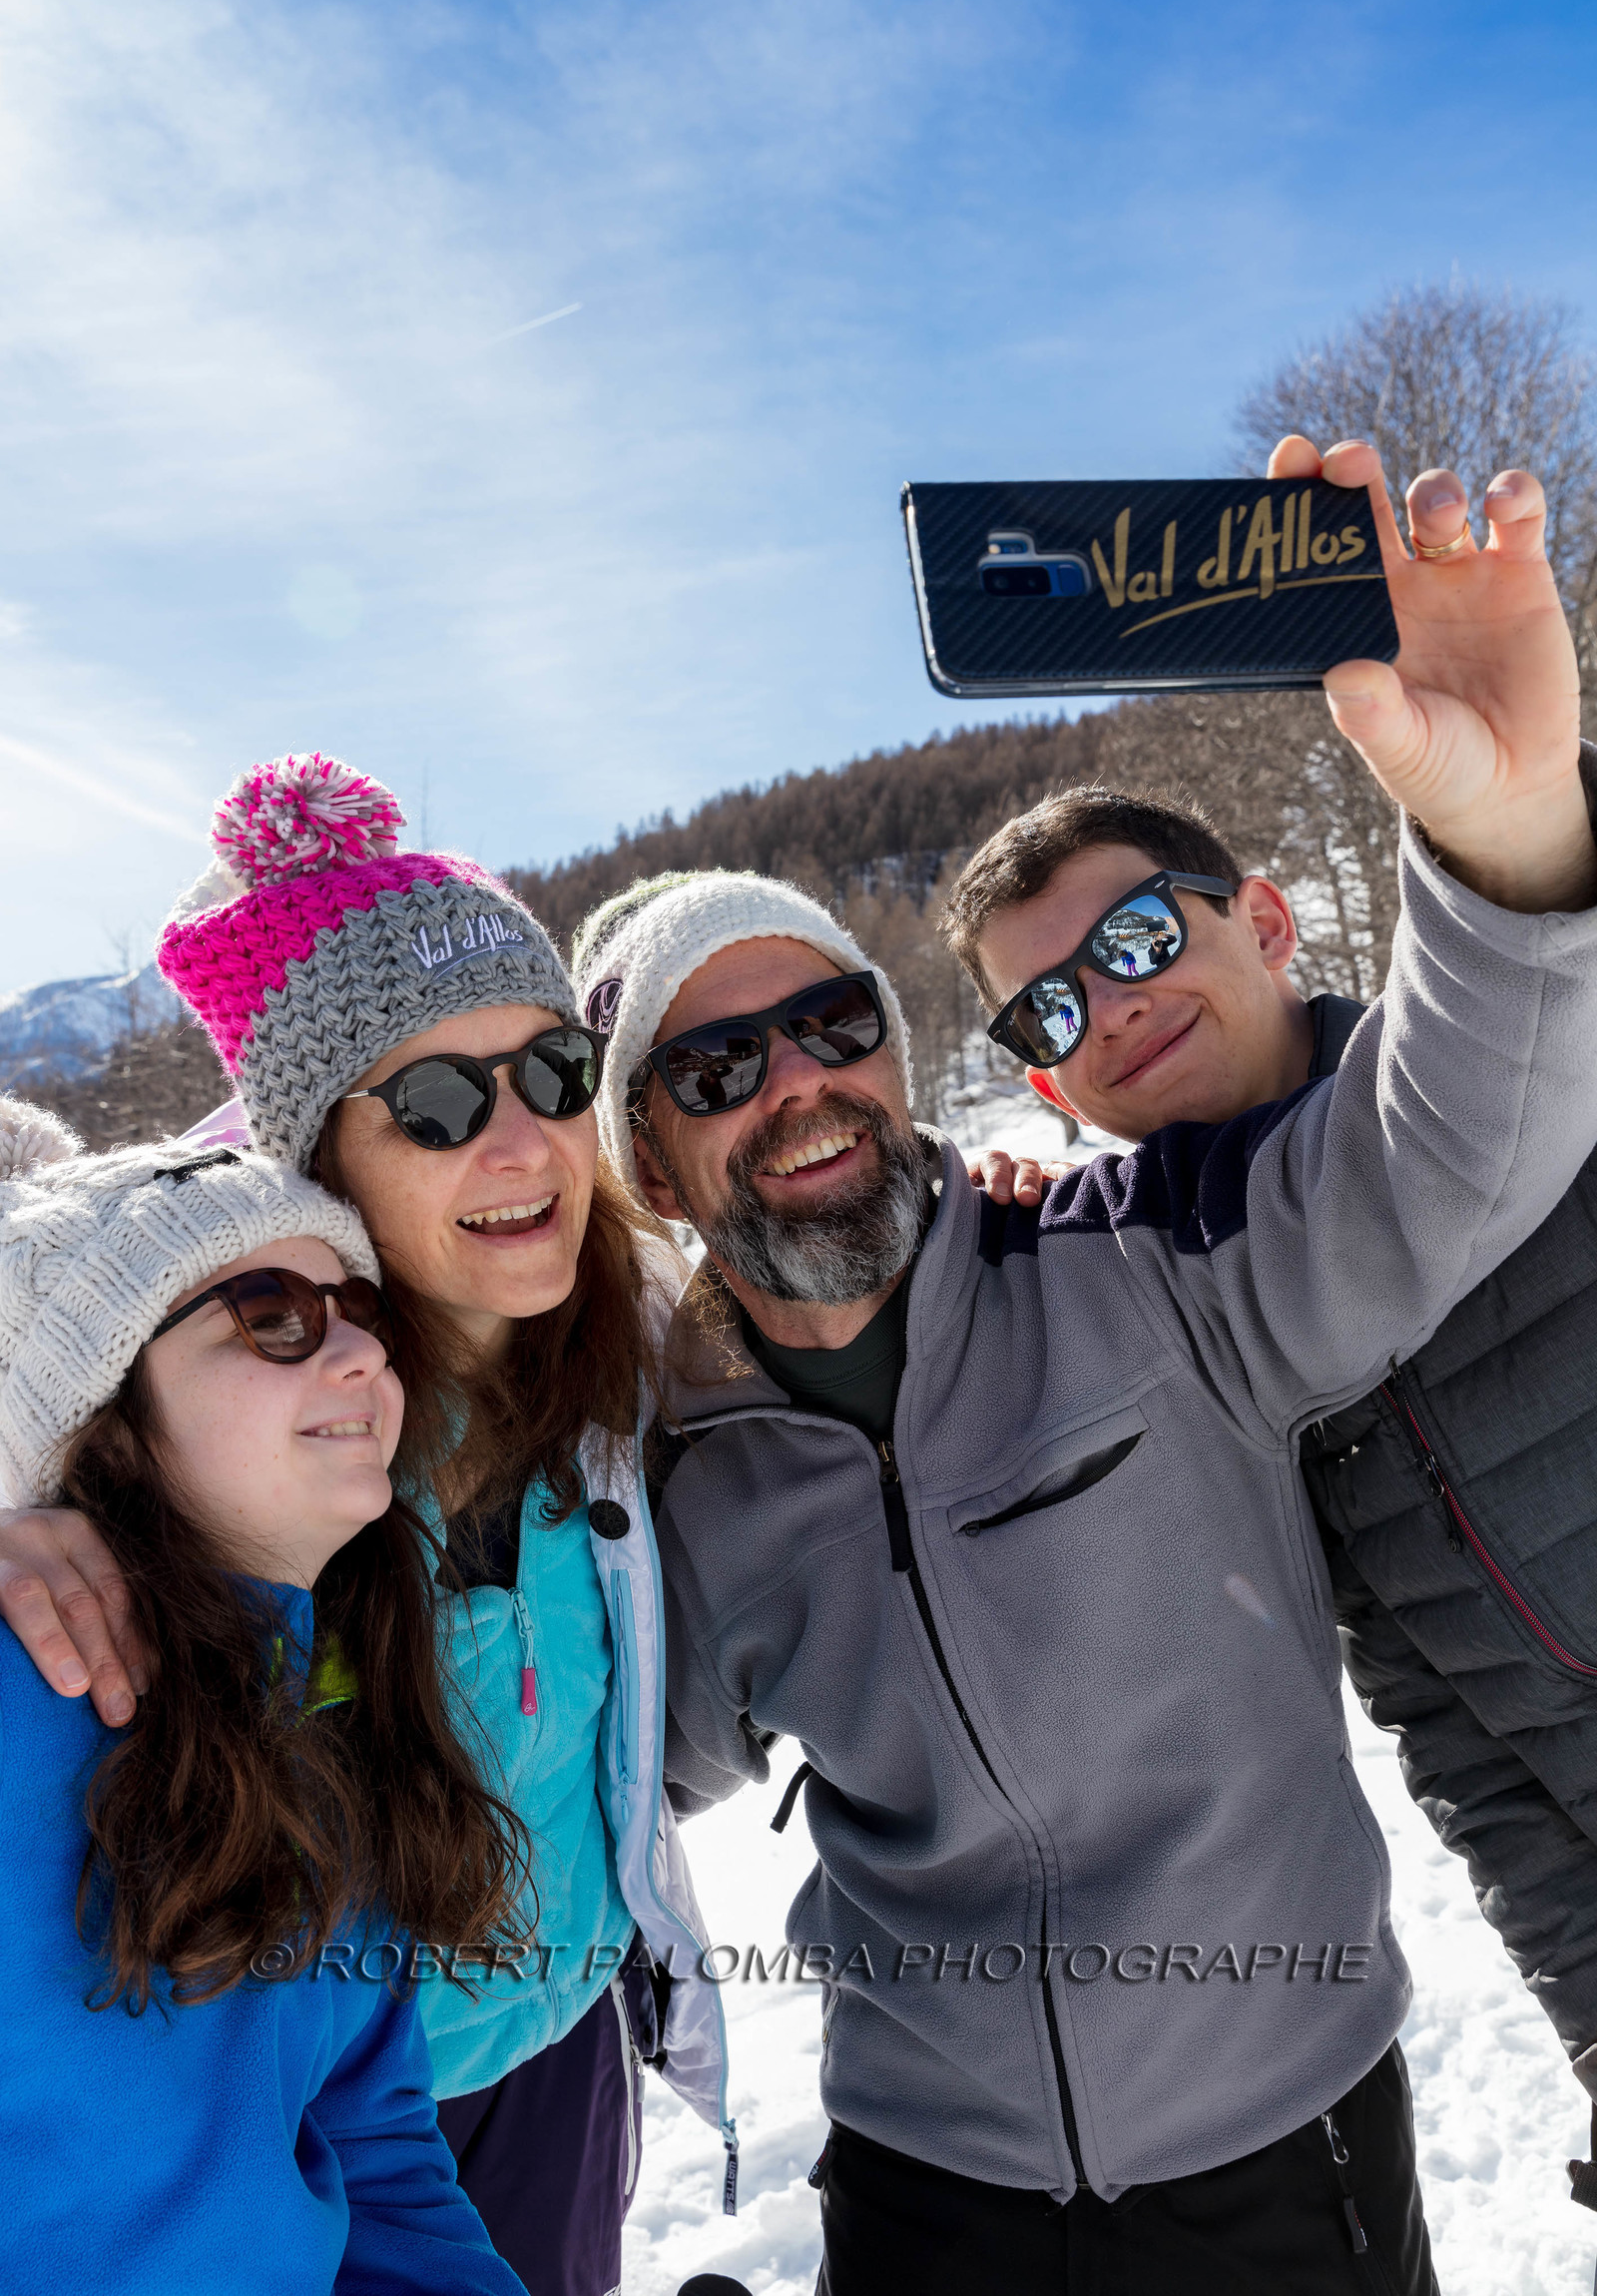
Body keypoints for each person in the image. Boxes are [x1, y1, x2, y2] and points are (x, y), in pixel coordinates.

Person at [562, 435, 1597, 2294]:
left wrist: (1505, 832)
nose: (793, 1083)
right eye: (718, 1069)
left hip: (1281, 2147)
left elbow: (1446, 1141)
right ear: (652, 1162)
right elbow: (585, 1751)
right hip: (925, 2178)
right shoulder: (674, 1471)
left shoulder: (1146, 1259)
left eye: (828, 1025)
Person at [0, 758, 735, 2296]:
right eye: (438, 1102)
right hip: (268, 2097)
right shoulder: (248, 1421)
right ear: (318, 1153)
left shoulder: (627, 1344)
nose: (523, 1140)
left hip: (547, 2048)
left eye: (551, 1072)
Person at [944, 739, 1597, 2197]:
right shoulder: (1169, 1303)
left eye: (1136, 939)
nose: (1111, 1007)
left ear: (1269, 918)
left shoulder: (1555, 1070)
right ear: (1047, 1079)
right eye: (1053, 1005)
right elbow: (1453, 1723)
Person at [0, 1097, 525, 2295]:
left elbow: (370, 2141)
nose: (360, 1354)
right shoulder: (23, 1686)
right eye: (270, 1320)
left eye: (363, 1313)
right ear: (108, 1426)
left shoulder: (342, 1714)